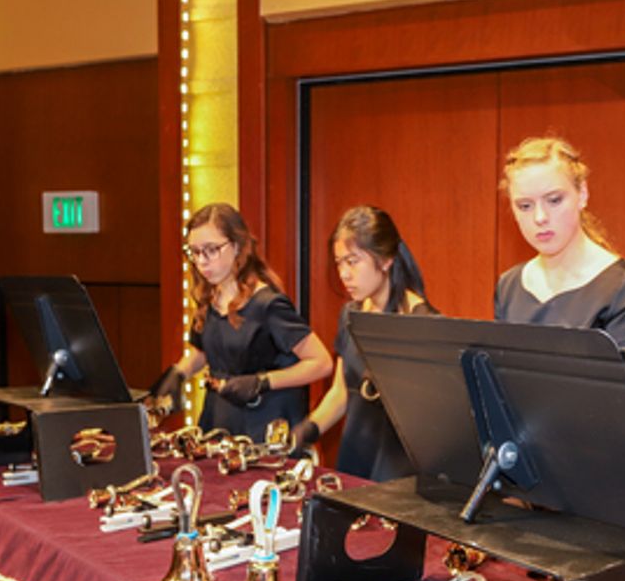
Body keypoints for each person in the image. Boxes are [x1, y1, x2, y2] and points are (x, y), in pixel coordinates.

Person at [156, 203, 332, 440]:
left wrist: (263, 382)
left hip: (263, 424)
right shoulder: (210, 298)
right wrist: (179, 372)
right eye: (195, 252)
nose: (202, 261)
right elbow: (208, 351)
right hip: (219, 420)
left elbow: (321, 362)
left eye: (211, 250)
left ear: (237, 246)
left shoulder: (268, 305)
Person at [292, 206, 437, 480]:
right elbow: (341, 392)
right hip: (357, 453)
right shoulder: (351, 314)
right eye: (339, 262)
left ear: (385, 260)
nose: (344, 274)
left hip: (399, 467)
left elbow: (430, 420)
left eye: (353, 261)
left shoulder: (423, 322)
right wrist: (308, 429)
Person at [493, 136, 625, 376]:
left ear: (582, 194)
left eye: (554, 200)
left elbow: (616, 400)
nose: (540, 217)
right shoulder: (509, 285)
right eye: (525, 206)